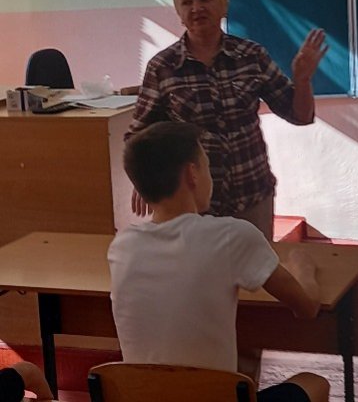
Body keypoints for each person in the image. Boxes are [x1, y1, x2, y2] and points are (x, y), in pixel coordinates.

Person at [109, 121, 330, 402]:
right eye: (206, 165)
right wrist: (303, 267)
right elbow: (307, 308)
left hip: (144, 397)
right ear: (192, 173)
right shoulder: (231, 236)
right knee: (314, 383)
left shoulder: (122, 246)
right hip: (215, 397)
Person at [127, 0, 328, 239]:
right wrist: (145, 181)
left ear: (223, 5)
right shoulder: (163, 67)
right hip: (191, 204)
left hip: (251, 195)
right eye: (187, 2)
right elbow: (139, 135)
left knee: (256, 266)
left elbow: (300, 115)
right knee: (199, 267)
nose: (196, 8)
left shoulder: (251, 56)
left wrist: (302, 80)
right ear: (178, 13)